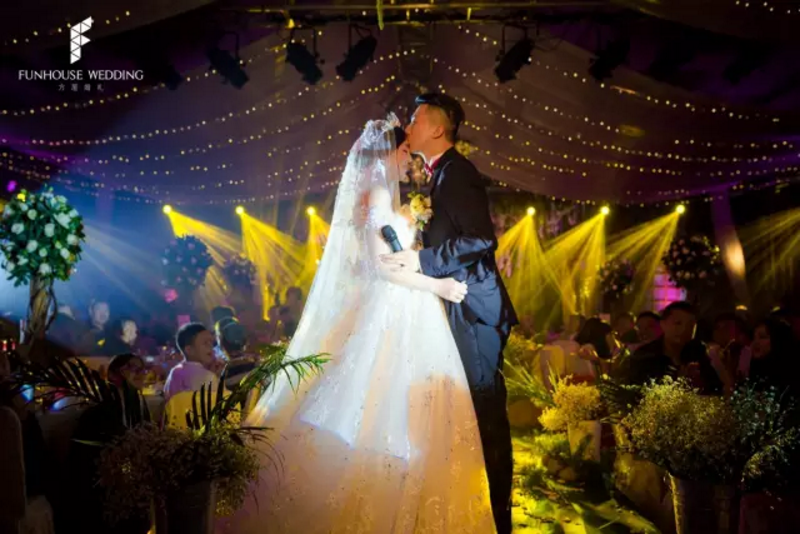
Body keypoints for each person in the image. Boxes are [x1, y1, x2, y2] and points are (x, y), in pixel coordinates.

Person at [226, 114, 495, 533]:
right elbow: (384, 268)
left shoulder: (382, 195)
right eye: (404, 151)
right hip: (394, 308)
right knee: (383, 405)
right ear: (387, 152)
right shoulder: (376, 196)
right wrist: (438, 286)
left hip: (408, 306)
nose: (409, 160)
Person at [383, 92, 518, 534]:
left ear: (438, 128)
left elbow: (480, 239)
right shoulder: (441, 175)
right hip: (462, 305)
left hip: (476, 310)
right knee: (474, 417)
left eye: (416, 119)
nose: (408, 126)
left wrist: (421, 260)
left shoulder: (457, 172)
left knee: (486, 416)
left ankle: (498, 520)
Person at [614, 301, 721, 393]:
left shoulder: (699, 352)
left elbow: (715, 390)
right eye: (678, 323)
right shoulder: (645, 355)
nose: (684, 329)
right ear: (663, 324)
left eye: (690, 326)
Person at [163, 323, 219, 399]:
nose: (210, 346)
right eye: (205, 343)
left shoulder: (174, 372)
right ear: (189, 350)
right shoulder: (209, 377)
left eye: (211, 342)